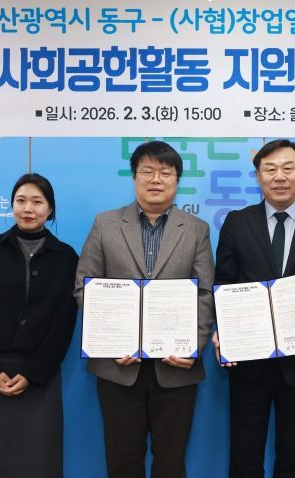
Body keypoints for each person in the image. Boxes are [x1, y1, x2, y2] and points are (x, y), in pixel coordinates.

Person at [74, 140, 215, 478]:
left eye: (165, 172)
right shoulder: (105, 224)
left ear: (177, 180)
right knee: (122, 461)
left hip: (176, 367)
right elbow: (84, 288)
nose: (156, 179)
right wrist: (110, 343)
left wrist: (193, 348)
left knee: (171, 462)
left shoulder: (196, 229)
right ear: (134, 177)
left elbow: (205, 293)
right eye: (147, 171)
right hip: (118, 366)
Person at [213, 139, 295, 478]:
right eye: (270, 169)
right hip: (248, 358)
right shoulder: (237, 222)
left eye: (288, 168)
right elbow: (224, 282)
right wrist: (224, 331)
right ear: (258, 176)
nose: (279, 177)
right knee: (245, 453)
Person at [0, 173, 79, 478]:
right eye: (21, 201)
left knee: (38, 461)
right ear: (12, 205)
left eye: (37, 202)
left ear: (50, 209)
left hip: (40, 375)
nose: (28, 208)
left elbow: (64, 322)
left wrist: (34, 373)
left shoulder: (66, 258)